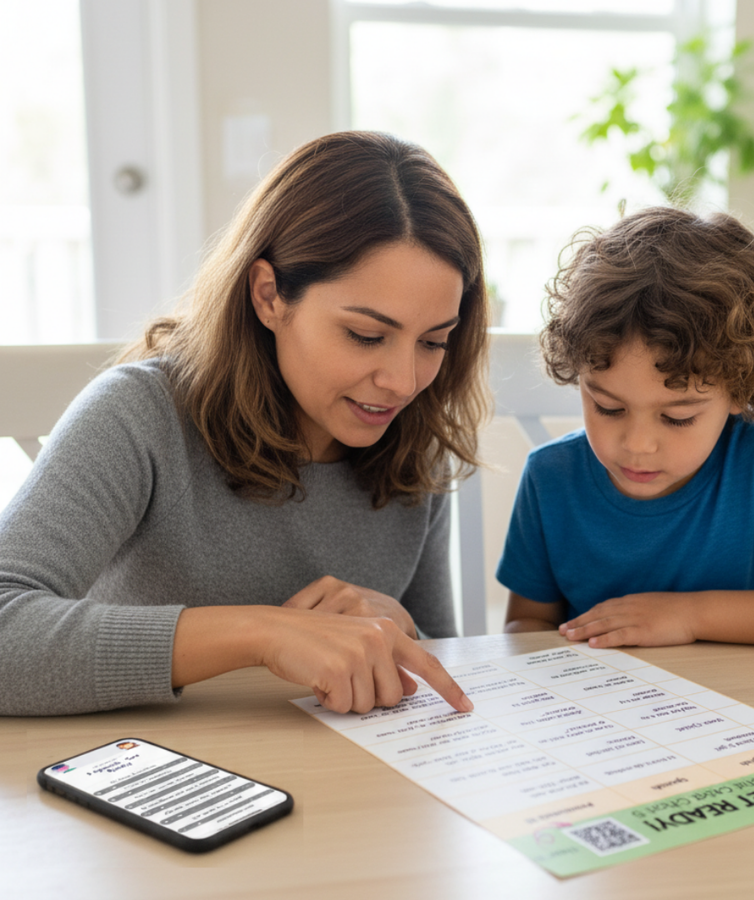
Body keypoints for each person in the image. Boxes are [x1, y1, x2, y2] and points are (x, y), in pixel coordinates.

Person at [0, 131, 491, 716]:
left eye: (434, 341)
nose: (404, 381)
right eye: (366, 335)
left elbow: (442, 663)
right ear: (268, 296)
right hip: (150, 778)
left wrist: (395, 628)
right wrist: (264, 634)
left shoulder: (413, 439)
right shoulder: (139, 415)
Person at [498, 207, 754, 648]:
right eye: (608, 407)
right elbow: (525, 626)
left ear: (738, 390)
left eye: (678, 417)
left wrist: (690, 616)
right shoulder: (549, 477)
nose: (638, 444)